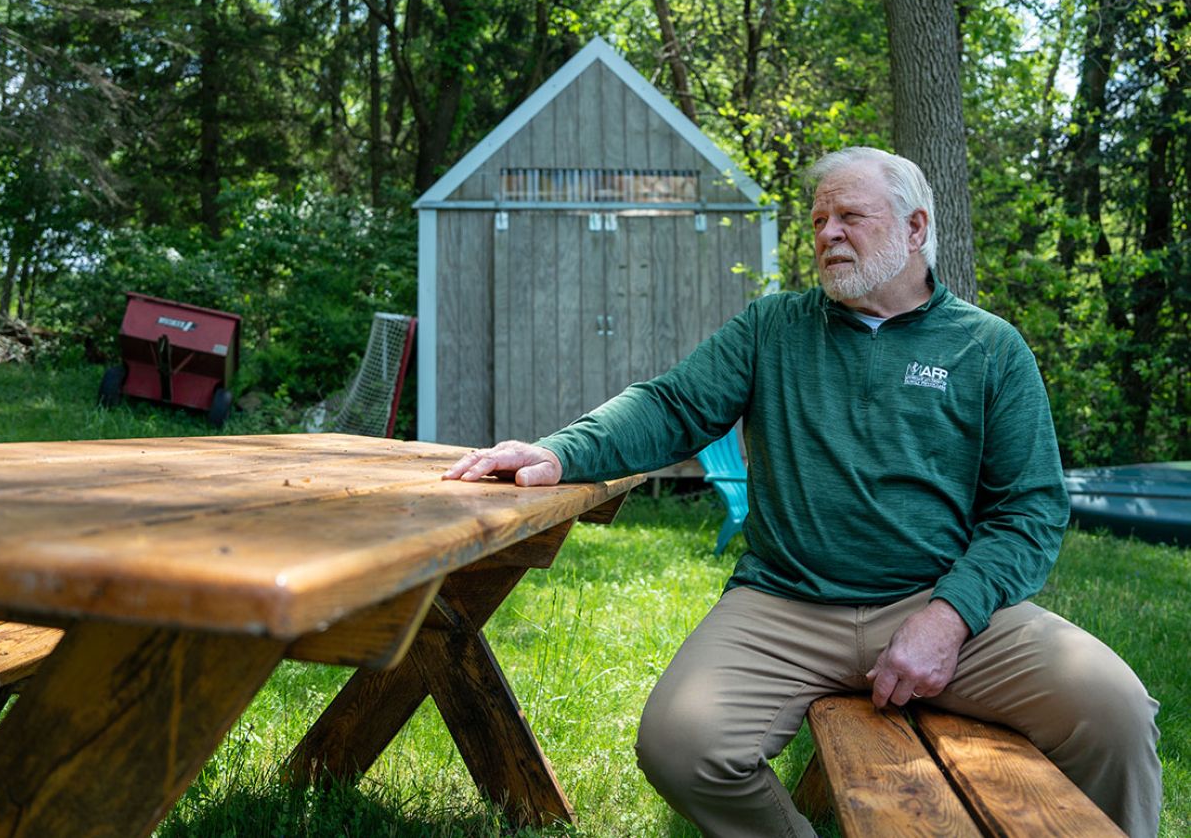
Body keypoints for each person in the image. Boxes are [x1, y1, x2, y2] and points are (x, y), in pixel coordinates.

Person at [443, 147, 1161, 838]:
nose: (827, 234)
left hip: (936, 600)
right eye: (818, 221)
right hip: (784, 601)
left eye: (849, 216)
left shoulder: (989, 348)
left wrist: (947, 618)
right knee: (680, 743)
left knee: (1115, 709)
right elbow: (671, 406)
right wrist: (559, 451)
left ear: (915, 229)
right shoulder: (773, 328)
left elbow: (1029, 511)